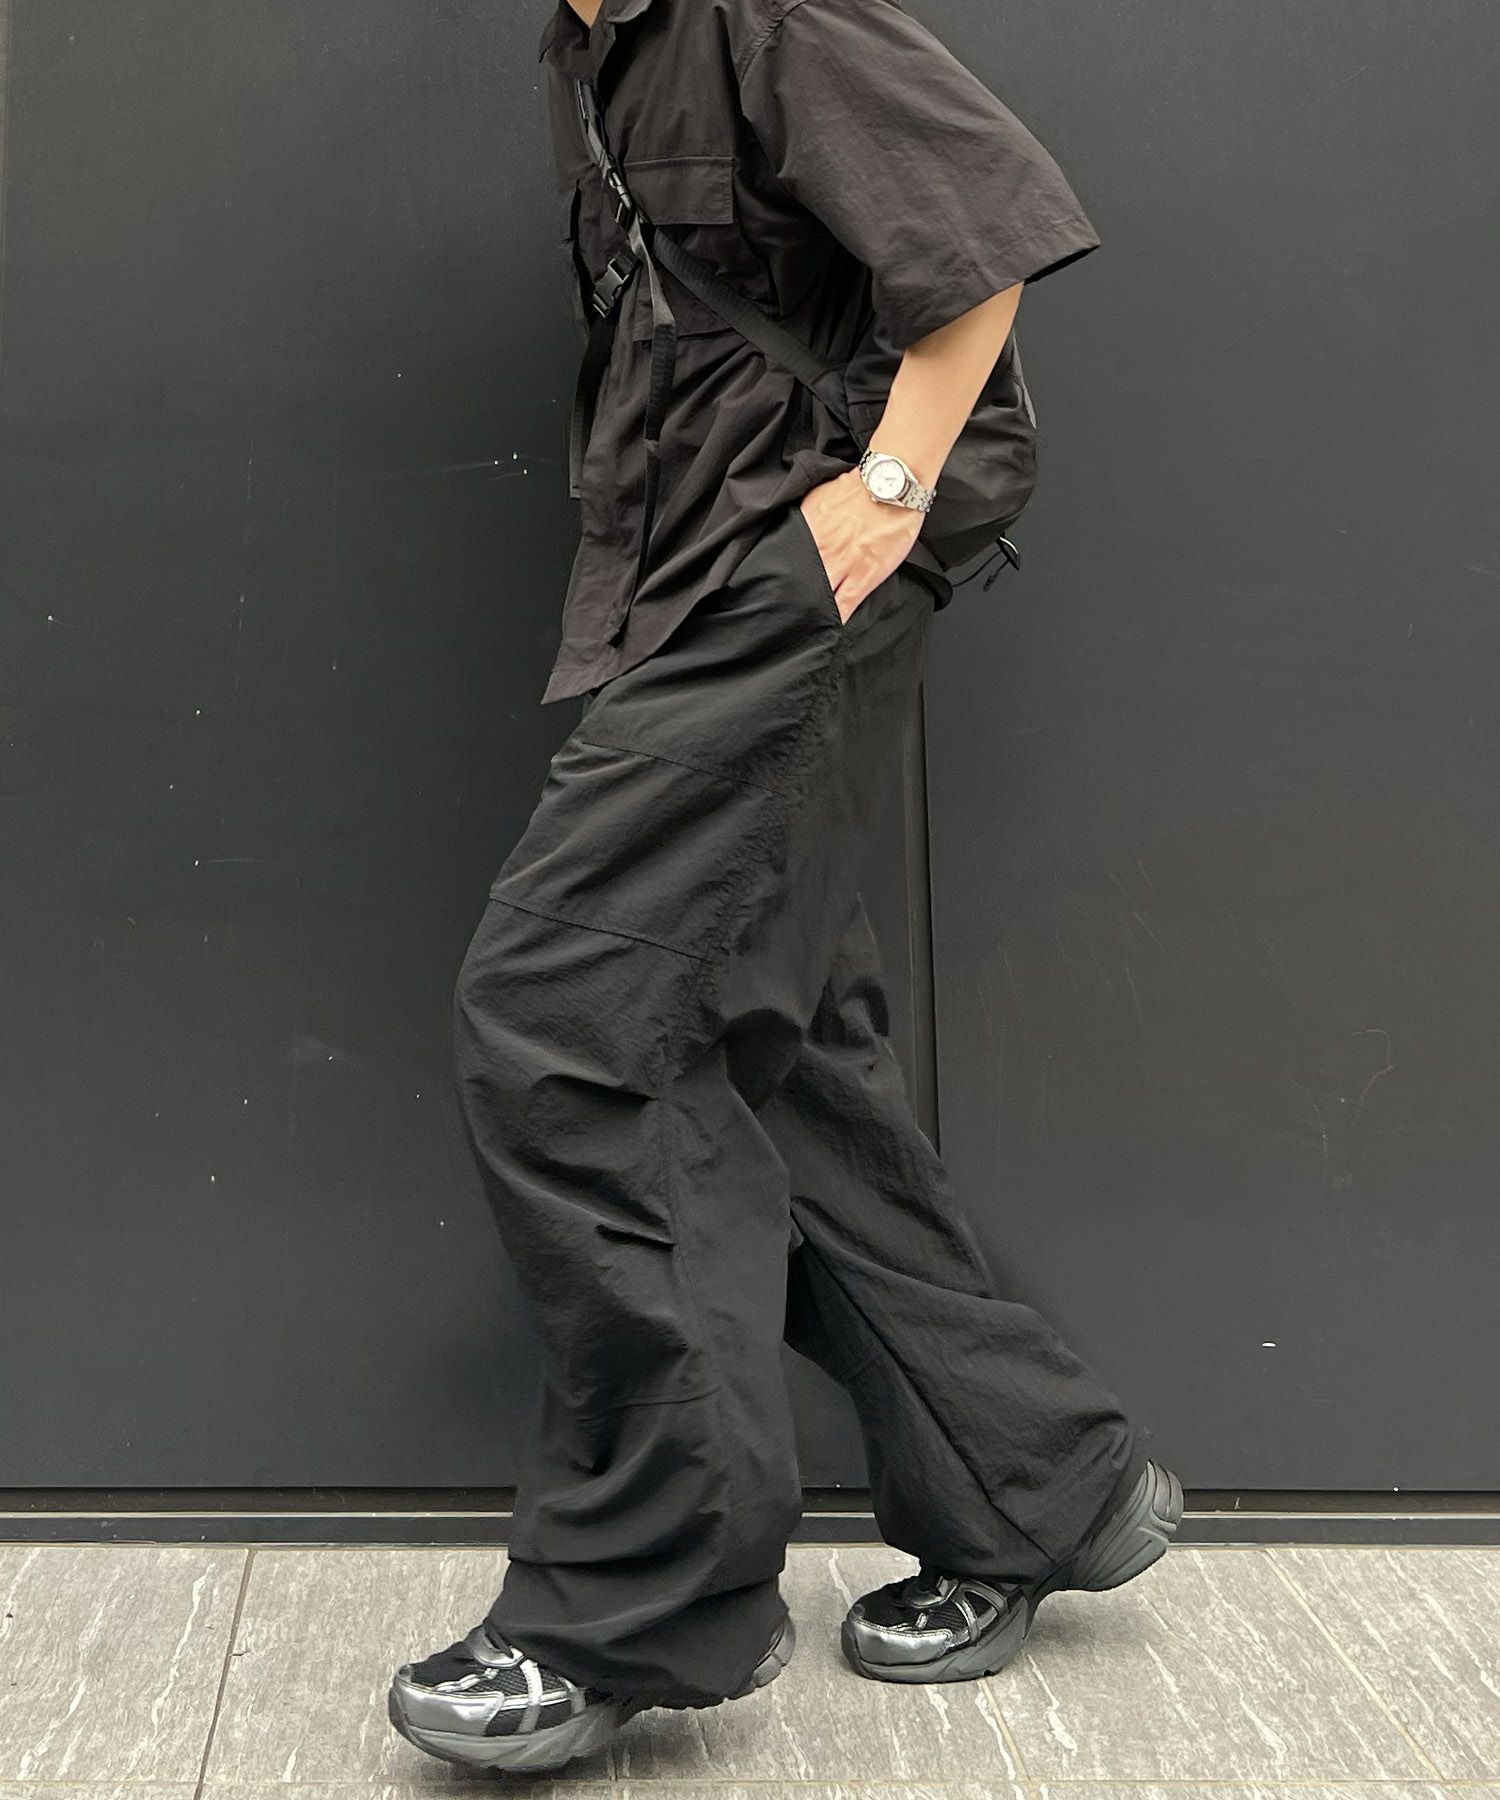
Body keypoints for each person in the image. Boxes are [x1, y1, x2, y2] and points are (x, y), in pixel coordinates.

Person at [387, 0, 1181, 1774]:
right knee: (781, 1057)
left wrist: (886, 490)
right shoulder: (589, 47)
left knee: (570, 1018)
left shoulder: (775, 15)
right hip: (694, 585)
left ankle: (631, 1603)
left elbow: (986, 231)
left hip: (800, 574)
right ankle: (1039, 1482)